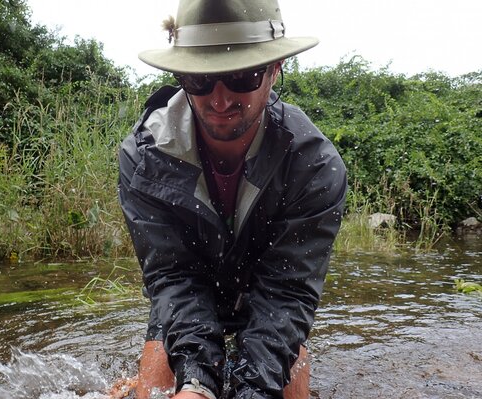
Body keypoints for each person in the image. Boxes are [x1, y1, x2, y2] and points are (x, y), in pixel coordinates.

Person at [117, 0, 347, 398]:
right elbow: (173, 278)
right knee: (159, 390)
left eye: (241, 76)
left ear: (275, 70)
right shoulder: (143, 159)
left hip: (268, 301)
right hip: (188, 296)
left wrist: (254, 388)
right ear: (180, 75)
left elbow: (286, 294)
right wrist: (196, 382)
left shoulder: (314, 165)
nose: (219, 100)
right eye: (200, 80)